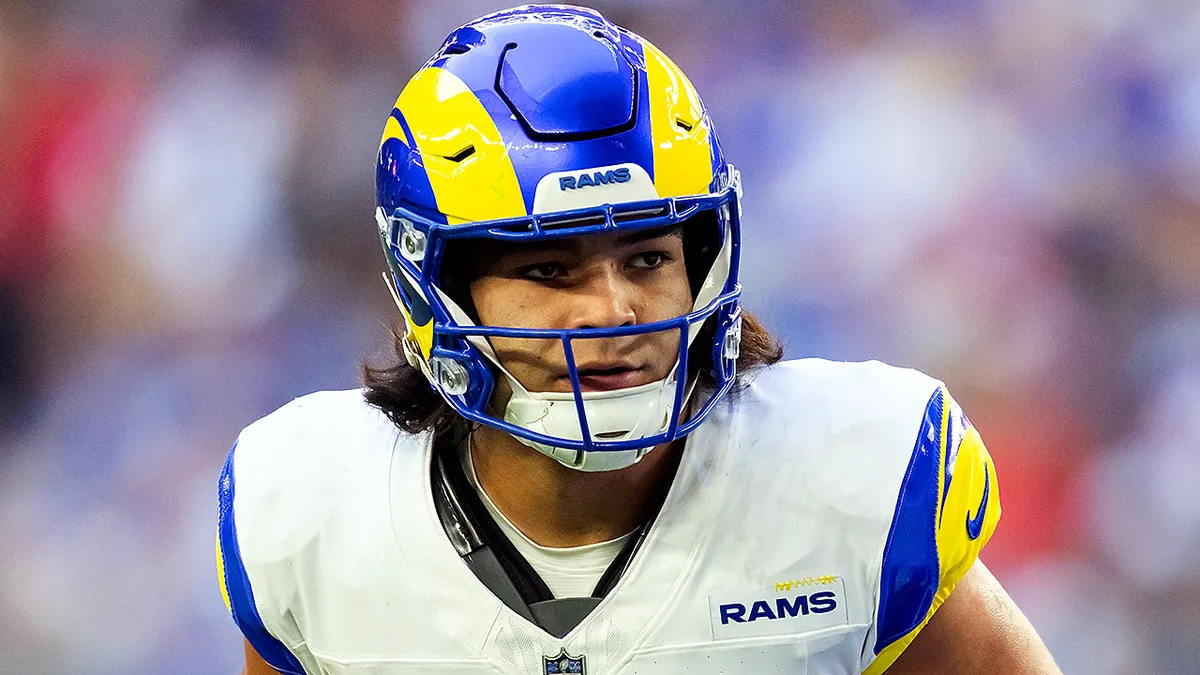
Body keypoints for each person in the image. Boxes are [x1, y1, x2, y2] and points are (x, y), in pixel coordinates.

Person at [216, 5, 1061, 674]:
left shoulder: (854, 482)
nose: (615, 308)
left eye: (648, 257)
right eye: (550, 269)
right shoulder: (311, 512)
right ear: (431, 283)